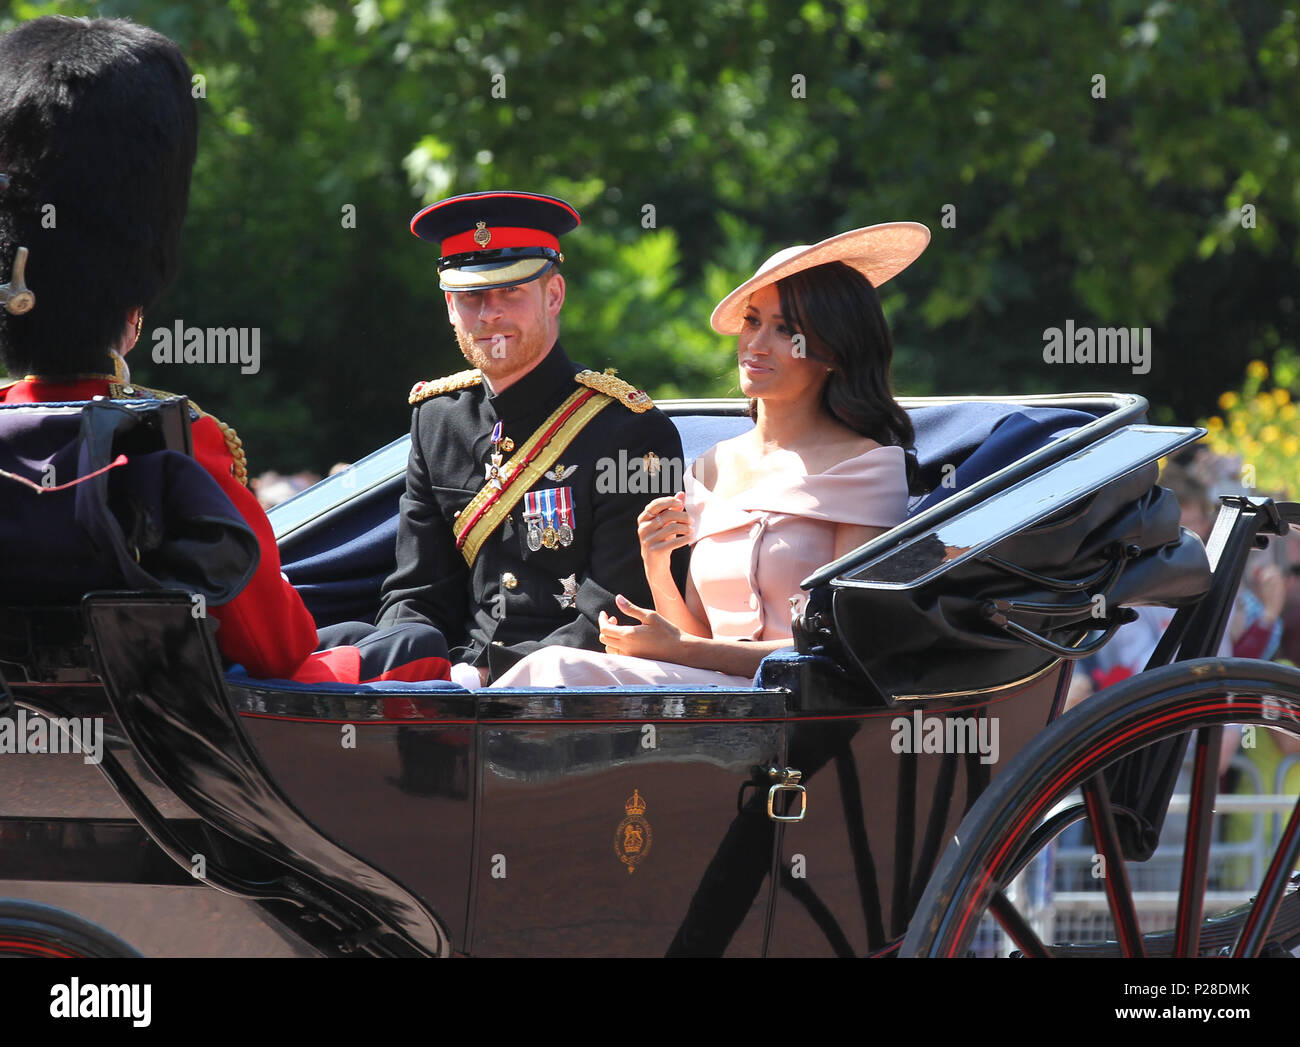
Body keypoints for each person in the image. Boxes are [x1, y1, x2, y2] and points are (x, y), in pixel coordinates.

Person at [0, 15, 445, 684]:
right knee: (413, 644)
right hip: (178, 732)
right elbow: (276, 647)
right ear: (133, 314)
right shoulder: (172, 445)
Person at [491, 222, 931, 689]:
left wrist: (679, 649)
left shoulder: (868, 467)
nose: (755, 345)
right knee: (548, 674)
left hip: (801, 708)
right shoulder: (711, 467)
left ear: (836, 353)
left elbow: (843, 644)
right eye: (753, 320)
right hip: (712, 700)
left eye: (786, 331)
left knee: (554, 668)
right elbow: (696, 634)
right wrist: (656, 565)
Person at [318, 191, 684, 687]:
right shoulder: (438, 418)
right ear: (450, 306)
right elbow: (417, 591)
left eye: (511, 292)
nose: (489, 314)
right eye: (471, 296)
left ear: (553, 295)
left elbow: (619, 611)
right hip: (451, 682)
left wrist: (485, 676)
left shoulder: (631, 429)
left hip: (564, 695)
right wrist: (418, 675)